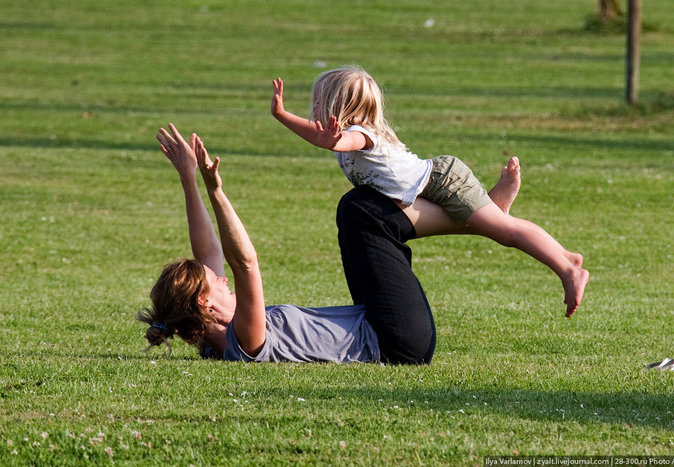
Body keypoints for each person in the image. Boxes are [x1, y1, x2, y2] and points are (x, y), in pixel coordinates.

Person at [138, 124, 528, 364]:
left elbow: (208, 253)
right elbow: (246, 264)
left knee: (358, 212)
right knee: (360, 211)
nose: (221, 278)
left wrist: (189, 180)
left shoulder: (214, 342)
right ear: (205, 304)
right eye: (214, 282)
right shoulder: (244, 339)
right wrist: (216, 191)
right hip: (397, 343)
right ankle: (485, 217)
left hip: (378, 321)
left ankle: (485, 216)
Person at [271, 65, 589, 316]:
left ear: (337, 106)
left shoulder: (358, 134)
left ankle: (566, 270)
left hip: (442, 183)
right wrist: (291, 120)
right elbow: (326, 140)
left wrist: (289, 118)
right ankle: (552, 246)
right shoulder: (352, 135)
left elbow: (334, 141)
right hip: (429, 189)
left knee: (506, 232)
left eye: (317, 101)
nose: (312, 108)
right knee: (500, 224)